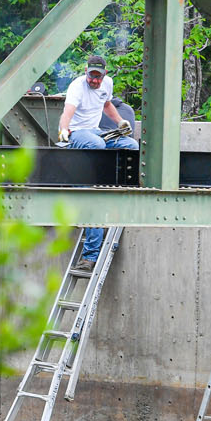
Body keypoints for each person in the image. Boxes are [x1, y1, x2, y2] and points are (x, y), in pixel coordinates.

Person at [58, 56, 138, 272]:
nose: (94, 81)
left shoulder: (107, 84)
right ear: (86, 72)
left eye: (98, 77)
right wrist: (64, 130)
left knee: (131, 145)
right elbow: (68, 112)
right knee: (91, 197)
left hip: (97, 134)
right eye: (91, 76)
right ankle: (89, 257)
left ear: (104, 74)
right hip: (78, 136)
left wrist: (120, 122)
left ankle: (122, 187)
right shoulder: (77, 87)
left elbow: (107, 104)